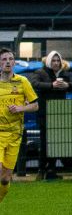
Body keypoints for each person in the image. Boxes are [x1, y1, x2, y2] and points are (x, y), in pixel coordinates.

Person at [30, 50, 72, 180]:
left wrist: (67, 85)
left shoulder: (64, 74)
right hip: (44, 112)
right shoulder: (40, 72)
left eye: (58, 60)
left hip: (58, 113)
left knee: (55, 141)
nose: (56, 63)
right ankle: (41, 170)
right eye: (54, 60)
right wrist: (51, 85)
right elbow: (34, 84)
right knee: (44, 141)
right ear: (48, 61)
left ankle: (51, 170)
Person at [0, 48, 38, 206]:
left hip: (15, 135)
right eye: (4, 59)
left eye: (10, 59)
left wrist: (21, 108)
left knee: (5, 178)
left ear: (14, 62)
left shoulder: (23, 82)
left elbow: (35, 105)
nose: (7, 62)